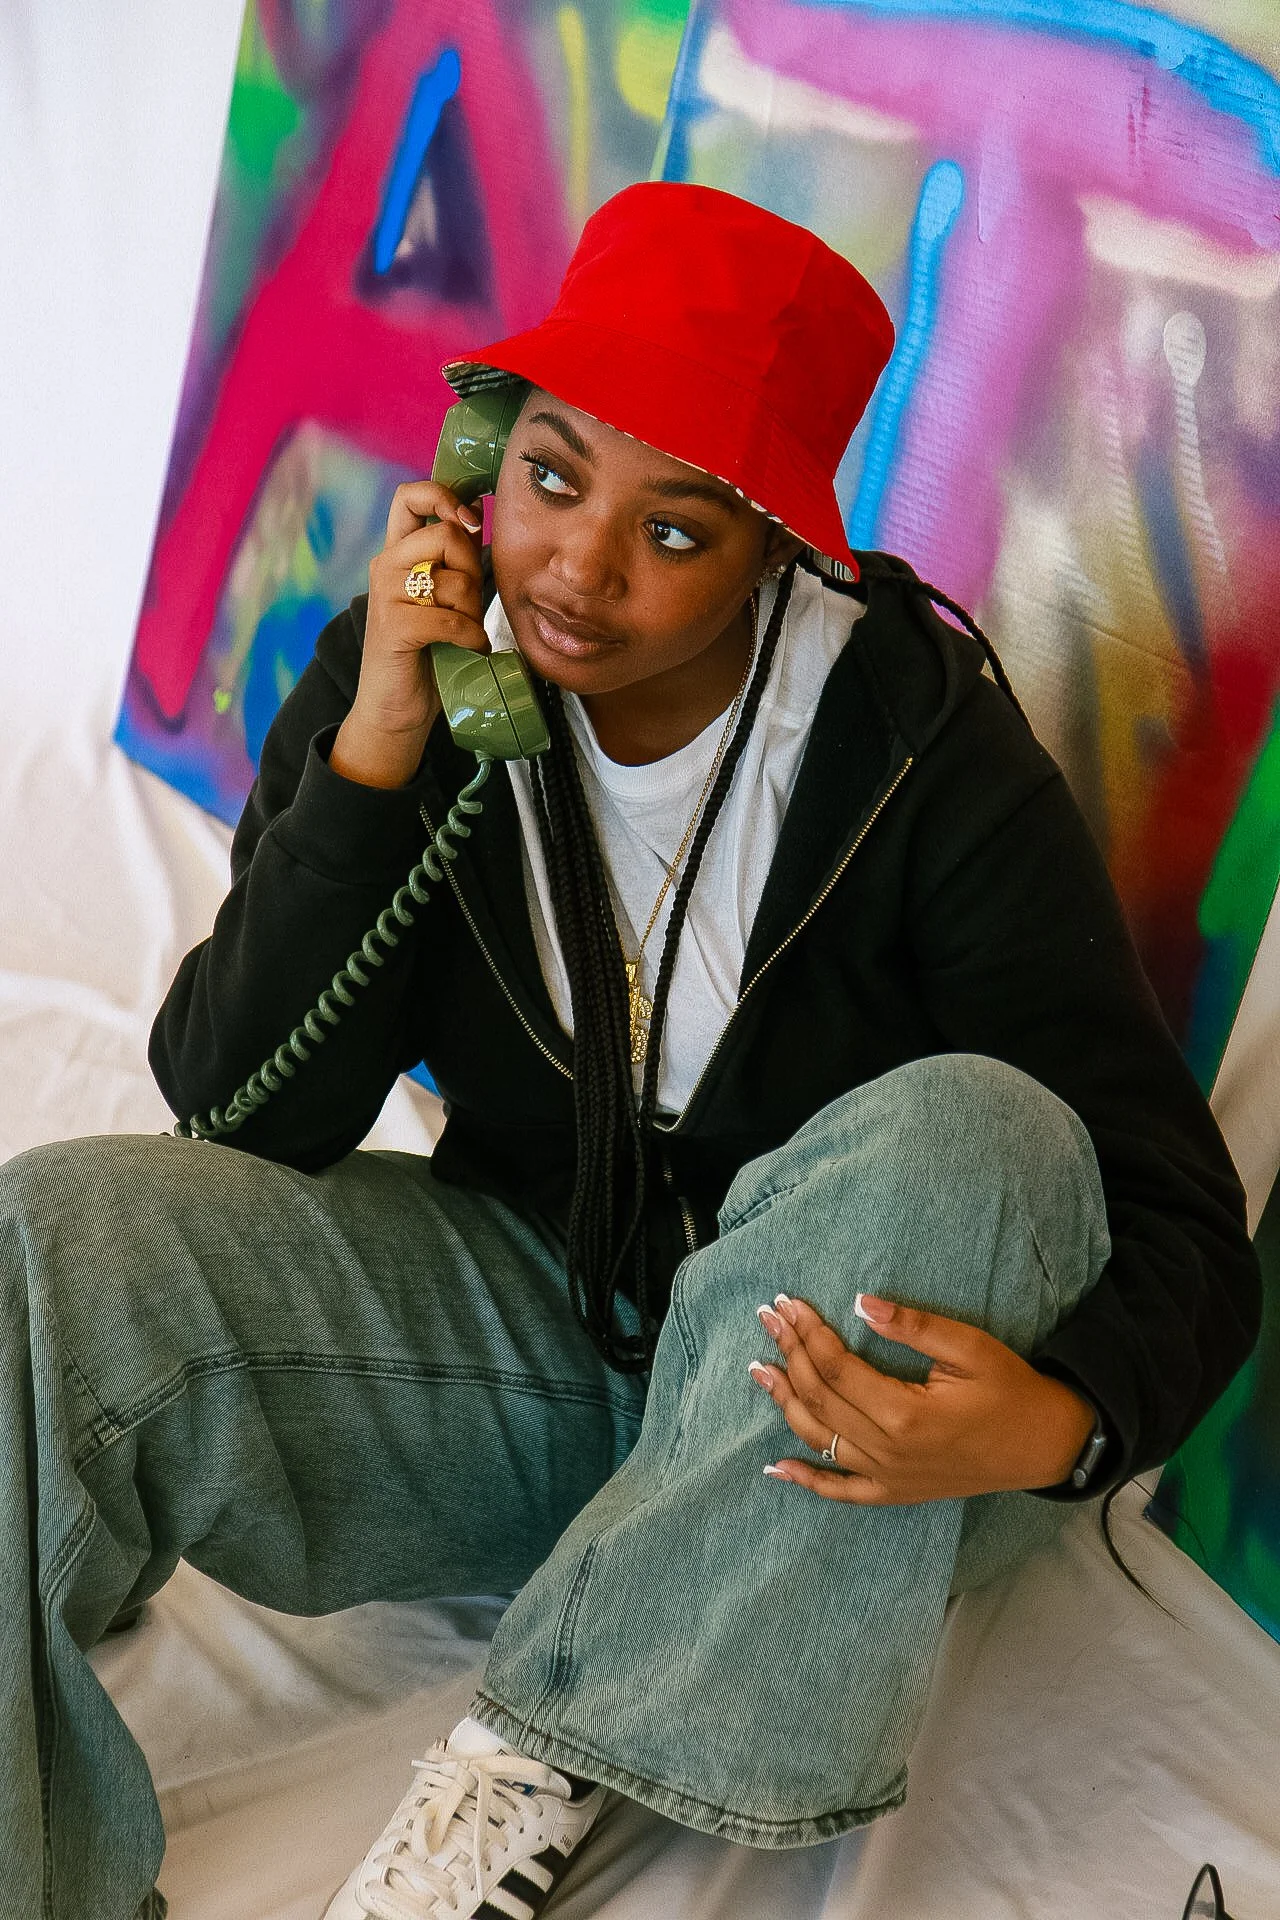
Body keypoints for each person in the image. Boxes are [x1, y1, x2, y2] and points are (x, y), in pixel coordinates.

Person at [1, 183, 1260, 1920]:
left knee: (975, 1131)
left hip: (819, 1441)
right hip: (541, 1353)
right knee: (44, 1238)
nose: (580, 569)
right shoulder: (424, 680)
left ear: (776, 552)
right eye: (550, 478)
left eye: (677, 533)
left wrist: (1056, 1426)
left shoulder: (913, 749)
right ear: (481, 457)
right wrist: (374, 765)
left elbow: (1176, 1210)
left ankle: (517, 1799)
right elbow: (232, 1108)